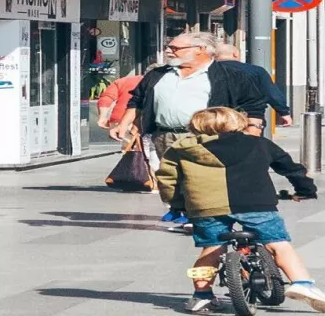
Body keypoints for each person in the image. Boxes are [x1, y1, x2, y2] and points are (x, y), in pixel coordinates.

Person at [155, 106, 325, 314]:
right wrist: (305, 190)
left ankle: (202, 295)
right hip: (256, 203)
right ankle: (302, 283)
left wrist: (178, 205)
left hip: (206, 207)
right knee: (278, 243)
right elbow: (290, 167)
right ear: (238, 122)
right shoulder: (259, 143)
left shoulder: (181, 149)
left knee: (211, 247)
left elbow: (167, 179)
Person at [112, 32, 270, 225]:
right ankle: (180, 208)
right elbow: (137, 99)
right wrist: (124, 124)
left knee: (198, 176)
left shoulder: (230, 76)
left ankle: (199, 214)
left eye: (176, 48)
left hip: (206, 136)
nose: (169, 51)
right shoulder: (157, 74)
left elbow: (254, 104)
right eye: (169, 47)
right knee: (171, 176)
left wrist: (253, 130)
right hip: (164, 134)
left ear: (199, 50)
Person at [212, 39, 293, 128]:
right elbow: (271, 93)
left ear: (215, 56)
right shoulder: (257, 71)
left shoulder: (209, 71)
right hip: (250, 117)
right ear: (235, 54)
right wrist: (284, 112)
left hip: (218, 116)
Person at [96, 61, 154, 137]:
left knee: (128, 146)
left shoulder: (123, 81)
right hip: (139, 121)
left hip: (118, 119)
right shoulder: (155, 83)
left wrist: (102, 117)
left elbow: (106, 98)